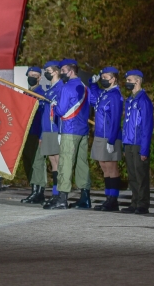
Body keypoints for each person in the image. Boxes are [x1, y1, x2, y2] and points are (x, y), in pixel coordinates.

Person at [44, 59, 91, 210]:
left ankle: (62, 198)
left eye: (63, 71)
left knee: (65, 163)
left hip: (69, 130)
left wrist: (54, 106)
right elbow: (93, 103)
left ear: (70, 71)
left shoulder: (66, 88)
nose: (62, 73)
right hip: (83, 130)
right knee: (82, 164)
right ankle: (85, 198)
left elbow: (61, 110)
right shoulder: (84, 87)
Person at [89, 66, 124, 211]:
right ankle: (108, 197)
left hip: (110, 136)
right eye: (102, 77)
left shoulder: (115, 95)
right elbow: (93, 98)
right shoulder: (104, 93)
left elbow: (116, 119)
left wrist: (111, 140)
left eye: (106, 77)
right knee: (104, 165)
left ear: (114, 79)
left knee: (111, 167)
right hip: (99, 134)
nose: (103, 79)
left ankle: (113, 200)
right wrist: (92, 84)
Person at [120, 70, 153, 214]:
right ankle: (134, 201)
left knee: (141, 174)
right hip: (129, 142)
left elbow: (147, 125)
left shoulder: (143, 100)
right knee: (132, 174)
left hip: (139, 142)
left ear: (137, 81)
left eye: (129, 80)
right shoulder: (130, 99)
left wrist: (144, 148)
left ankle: (143, 203)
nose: (127, 83)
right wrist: (124, 143)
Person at [20, 66, 48, 204]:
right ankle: (33, 189)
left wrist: (42, 135)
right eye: (30, 74)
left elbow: (44, 117)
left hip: (37, 132)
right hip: (26, 133)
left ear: (40, 78)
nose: (32, 77)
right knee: (28, 161)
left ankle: (39, 191)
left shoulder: (41, 94)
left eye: (35, 75)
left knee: (37, 162)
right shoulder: (25, 93)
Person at [39, 60, 64, 207]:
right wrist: (42, 135)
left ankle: (61, 193)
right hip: (47, 130)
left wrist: (61, 131)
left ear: (55, 71)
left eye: (48, 70)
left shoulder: (61, 88)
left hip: (56, 129)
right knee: (53, 162)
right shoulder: (48, 89)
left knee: (59, 161)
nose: (47, 73)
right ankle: (55, 192)